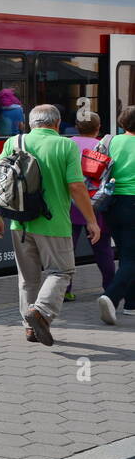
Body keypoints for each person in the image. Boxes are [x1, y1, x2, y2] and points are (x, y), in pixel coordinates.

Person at [0, 104, 100, 346]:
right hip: (54, 223)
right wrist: (91, 220)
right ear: (57, 124)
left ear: (31, 123)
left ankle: (30, 328)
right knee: (61, 271)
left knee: (28, 278)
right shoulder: (65, 145)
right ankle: (40, 311)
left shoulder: (14, 142)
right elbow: (76, 186)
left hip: (19, 222)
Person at [64, 111, 115, 303]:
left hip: (69, 203)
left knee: (67, 249)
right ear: (98, 127)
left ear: (76, 127)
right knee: (103, 249)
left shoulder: (66, 144)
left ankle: (65, 289)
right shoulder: (102, 146)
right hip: (96, 204)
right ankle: (110, 289)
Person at [95, 106, 135, 326]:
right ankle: (111, 297)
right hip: (133, 202)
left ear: (122, 122)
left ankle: (131, 304)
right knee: (131, 257)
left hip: (111, 204)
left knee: (127, 253)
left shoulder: (112, 141)